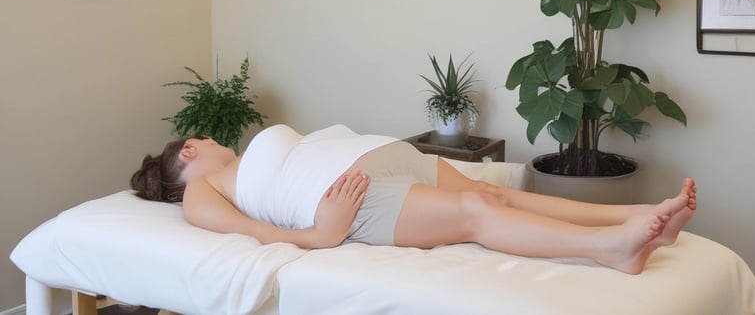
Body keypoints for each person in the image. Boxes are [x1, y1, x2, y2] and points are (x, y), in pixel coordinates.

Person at [130, 124, 696, 275]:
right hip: (352, 198)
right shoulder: (199, 191)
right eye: (203, 140)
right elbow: (256, 234)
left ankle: (637, 214)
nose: (213, 140)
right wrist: (319, 236)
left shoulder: (241, 163)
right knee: (478, 213)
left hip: (378, 156)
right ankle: (610, 248)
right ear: (188, 151)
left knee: (491, 191)